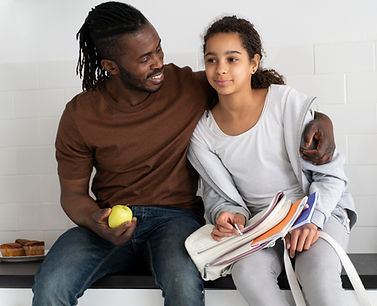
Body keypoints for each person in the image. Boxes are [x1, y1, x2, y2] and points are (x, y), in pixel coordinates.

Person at [32, 2, 337, 305]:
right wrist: (94, 218)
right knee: (50, 287)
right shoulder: (79, 114)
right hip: (109, 219)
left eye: (158, 50)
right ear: (111, 66)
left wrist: (320, 119)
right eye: (144, 59)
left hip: (174, 220)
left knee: (184, 287)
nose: (158, 63)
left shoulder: (185, 85)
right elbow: (72, 195)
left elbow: (248, 89)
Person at [187, 16, 357, 306]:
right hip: (259, 227)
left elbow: (330, 175)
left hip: (316, 213)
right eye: (212, 60)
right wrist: (229, 214)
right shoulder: (203, 133)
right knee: (248, 274)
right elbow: (218, 195)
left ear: (253, 63)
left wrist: (311, 221)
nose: (221, 69)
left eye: (232, 58)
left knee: (317, 275)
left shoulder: (285, 104)